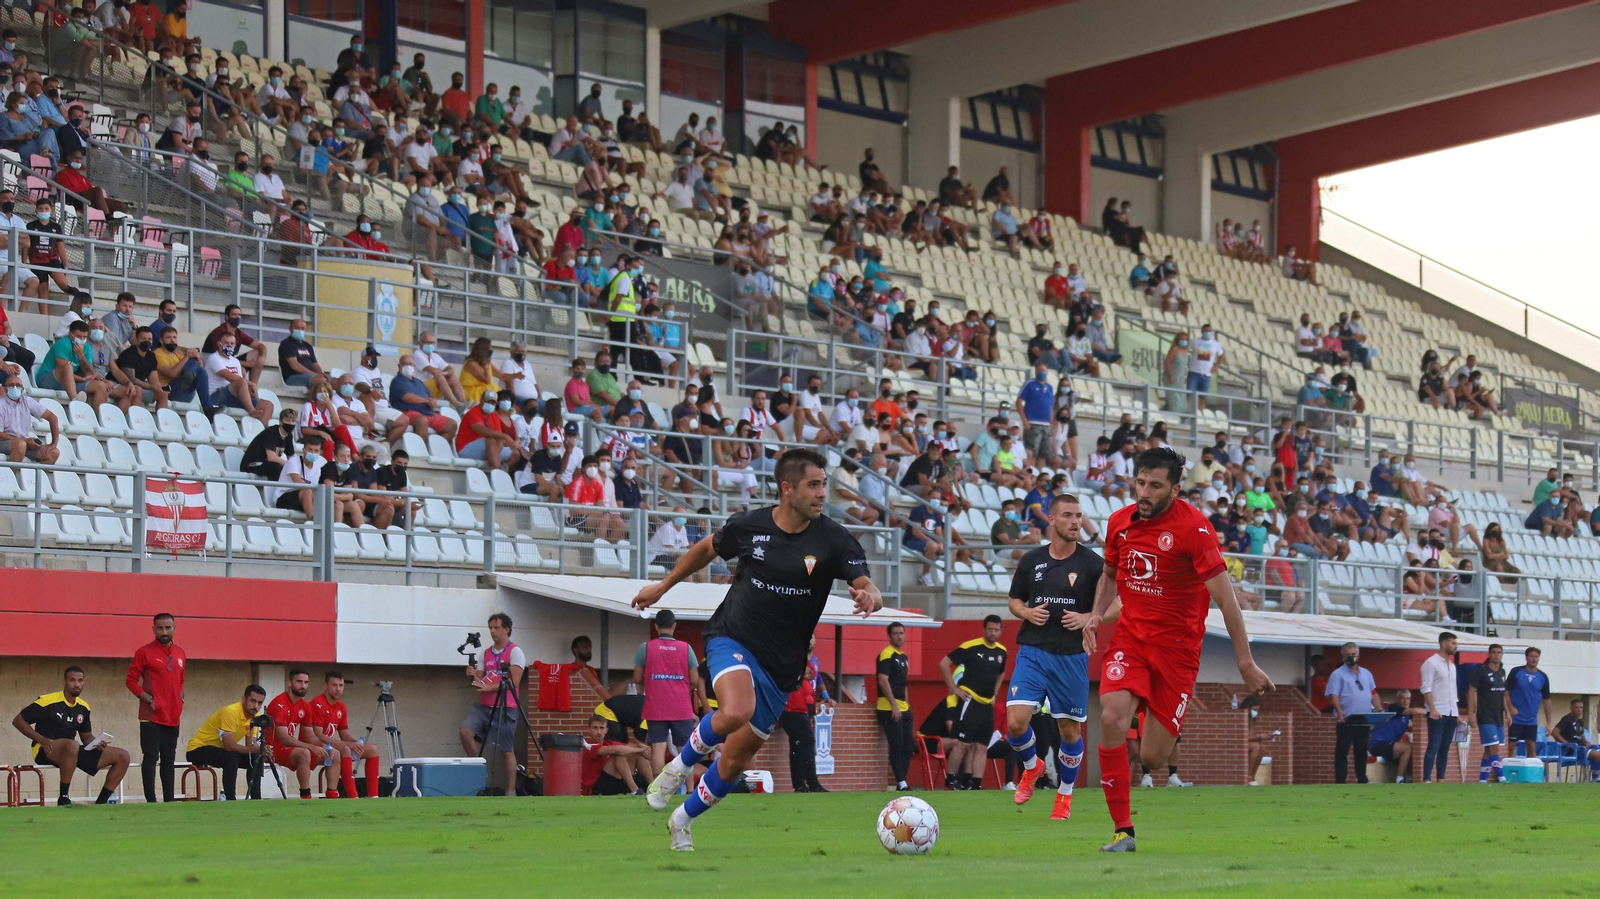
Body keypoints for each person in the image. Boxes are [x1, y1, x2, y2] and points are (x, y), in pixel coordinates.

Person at [634, 449, 880, 850]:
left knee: (734, 761)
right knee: (735, 709)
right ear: (787, 489)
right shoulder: (750, 525)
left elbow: (866, 582)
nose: (822, 493)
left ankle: (682, 819)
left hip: (782, 667)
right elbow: (706, 549)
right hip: (732, 636)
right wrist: (662, 587)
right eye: (813, 485)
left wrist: (872, 597)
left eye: (824, 485)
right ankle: (678, 768)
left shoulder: (833, 538)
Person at [1087, 447, 1272, 852]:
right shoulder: (1120, 522)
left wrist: (1245, 662)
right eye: (1140, 483)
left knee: (1154, 757)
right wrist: (1097, 615)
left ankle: (1155, 725)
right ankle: (1123, 830)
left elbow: (1227, 601)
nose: (1145, 492)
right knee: (1113, 716)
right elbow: (1109, 575)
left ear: (1175, 488)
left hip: (1177, 654)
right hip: (1131, 641)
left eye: (1155, 485)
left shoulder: (1194, 529)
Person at [1004, 493, 1102, 820]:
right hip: (1033, 652)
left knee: (1069, 733)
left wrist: (1089, 617)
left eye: (1079, 515)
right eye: (1068, 515)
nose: (1076, 522)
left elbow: (1118, 604)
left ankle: (1065, 795)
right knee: (1016, 724)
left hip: (1071, 656)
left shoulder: (1092, 564)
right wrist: (1027, 612)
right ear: (1052, 519)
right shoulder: (1032, 560)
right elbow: (1014, 601)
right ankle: (1033, 767)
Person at [11, 666, 130, 805]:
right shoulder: (48, 701)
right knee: (72, 745)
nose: (77, 684)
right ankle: (64, 797)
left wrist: (97, 742)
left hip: (71, 752)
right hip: (45, 749)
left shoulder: (84, 707)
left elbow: (86, 737)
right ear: (64, 682)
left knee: (123, 756)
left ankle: (101, 803)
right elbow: (18, 720)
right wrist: (40, 739)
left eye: (80, 680)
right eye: (72, 680)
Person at [935, 616, 1006, 791]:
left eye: (996, 630)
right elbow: (944, 663)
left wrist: (995, 692)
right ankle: (950, 780)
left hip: (986, 704)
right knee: (963, 743)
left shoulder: (1002, 652)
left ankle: (976, 784)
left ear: (1001, 631)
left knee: (982, 746)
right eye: (990, 629)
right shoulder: (971, 647)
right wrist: (954, 688)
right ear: (984, 629)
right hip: (970, 701)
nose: (993, 633)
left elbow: (1001, 673)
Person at [459, 612, 526, 796]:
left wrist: (490, 688)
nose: (492, 631)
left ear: (507, 629)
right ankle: (477, 768)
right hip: (484, 706)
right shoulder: (486, 653)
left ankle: (511, 791)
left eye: (496, 627)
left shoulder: (515, 652)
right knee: (465, 731)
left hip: (506, 706)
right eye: (490, 628)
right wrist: (472, 673)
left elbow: (515, 681)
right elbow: (479, 680)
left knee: (506, 749)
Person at [632, 609, 703, 775]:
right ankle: (690, 790)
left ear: (656, 626)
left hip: (655, 707)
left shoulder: (646, 648)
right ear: (674, 626)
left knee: (658, 747)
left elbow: (636, 677)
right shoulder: (686, 648)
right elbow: (694, 679)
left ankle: (658, 790)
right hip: (681, 707)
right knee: (685, 751)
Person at [125, 611, 185, 804]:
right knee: (151, 757)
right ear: (154, 629)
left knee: (169, 759)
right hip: (151, 716)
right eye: (160, 628)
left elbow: (181, 679)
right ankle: (151, 801)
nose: (164, 631)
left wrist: (180, 696)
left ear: (174, 629)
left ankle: (169, 800)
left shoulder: (180, 653)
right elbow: (131, 681)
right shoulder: (144, 652)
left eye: (168, 627)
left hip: (173, 715)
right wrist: (149, 700)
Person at [185, 684, 266, 801]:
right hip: (197, 748)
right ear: (244, 699)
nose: (256, 706)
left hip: (219, 750)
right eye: (253, 701)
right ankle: (230, 799)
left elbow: (251, 746)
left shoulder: (256, 716)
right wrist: (257, 749)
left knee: (254, 758)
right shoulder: (231, 712)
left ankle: (256, 799)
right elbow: (229, 746)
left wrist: (262, 748)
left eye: (259, 703)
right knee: (231, 757)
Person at [308, 670, 381, 798]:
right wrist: (348, 744)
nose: (338, 689)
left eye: (341, 686)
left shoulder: (341, 707)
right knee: (345, 749)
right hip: (315, 747)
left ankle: (374, 796)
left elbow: (344, 735)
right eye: (334, 685)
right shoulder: (317, 704)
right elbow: (318, 735)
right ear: (326, 686)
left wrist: (356, 744)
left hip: (333, 746)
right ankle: (353, 796)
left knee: (372, 749)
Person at [265, 669, 325, 798]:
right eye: (299, 681)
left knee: (334, 754)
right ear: (289, 683)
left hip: (290, 749)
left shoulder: (305, 705)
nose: (303, 685)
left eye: (306, 682)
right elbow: (284, 738)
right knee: (304, 752)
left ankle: (333, 795)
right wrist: (310, 747)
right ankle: (305, 794)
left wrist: (323, 744)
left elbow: (309, 735)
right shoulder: (279, 703)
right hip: (273, 749)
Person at [1324, 642, 1377, 785]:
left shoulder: (1366, 674)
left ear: (1358, 656)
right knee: (1342, 751)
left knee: (1361, 751)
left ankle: (1362, 778)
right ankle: (1341, 780)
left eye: (1353, 655)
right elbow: (1334, 695)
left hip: (1364, 718)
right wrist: (1340, 712)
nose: (1351, 657)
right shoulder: (1337, 674)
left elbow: (1373, 693)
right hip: (1347, 719)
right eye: (1348, 655)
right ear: (1343, 657)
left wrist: (1380, 711)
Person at [874, 622, 913, 791]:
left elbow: (903, 684)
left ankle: (901, 780)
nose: (899, 636)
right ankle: (902, 783)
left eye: (902, 633)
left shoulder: (904, 657)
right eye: (896, 633)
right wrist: (894, 705)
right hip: (888, 707)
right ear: (889, 636)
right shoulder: (886, 654)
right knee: (896, 745)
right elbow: (883, 680)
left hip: (904, 707)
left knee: (909, 745)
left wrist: (907, 705)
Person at [1418, 631, 1458, 783]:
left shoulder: (1452, 665)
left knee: (1445, 746)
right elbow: (1426, 688)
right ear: (1444, 644)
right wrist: (1432, 708)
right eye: (1453, 643)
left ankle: (1441, 778)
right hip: (1437, 711)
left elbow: (1452, 690)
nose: (1456, 646)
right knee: (1434, 745)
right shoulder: (1431, 663)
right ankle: (1427, 778)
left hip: (1451, 711)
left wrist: (1456, 711)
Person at [1467, 643, 1509, 783]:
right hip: (1485, 715)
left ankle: (1482, 781)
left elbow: (1502, 694)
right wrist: (1471, 713)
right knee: (1494, 748)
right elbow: (1472, 691)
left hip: (1498, 716)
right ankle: (1502, 778)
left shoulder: (1502, 672)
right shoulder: (1482, 671)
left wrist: (1507, 712)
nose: (1497, 655)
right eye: (1494, 652)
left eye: (1499, 652)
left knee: (1488, 749)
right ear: (1489, 654)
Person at [0, 374, 61, 464]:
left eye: (18, 385)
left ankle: (41, 477)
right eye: (11, 385)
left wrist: (53, 443)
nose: (15, 388)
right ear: (5, 388)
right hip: (4, 443)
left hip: (24, 442)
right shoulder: (1, 404)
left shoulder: (28, 401)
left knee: (54, 452)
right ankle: (13, 476)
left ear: (22, 389)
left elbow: (52, 417)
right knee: (20, 444)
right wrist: (24, 441)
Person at [1505, 646, 1550, 758]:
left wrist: (1549, 723)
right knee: (1511, 746)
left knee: (1531, 746)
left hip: (1531, 720)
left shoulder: (1543, 677)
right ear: (1526, 658)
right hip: (1515, 718)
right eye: (1531, 656)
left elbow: (1547, 700)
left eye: (1536, 657)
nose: (1534, 659)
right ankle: (1509, 772)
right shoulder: (1516, 672)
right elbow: (1505, 692)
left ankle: (1531, 773)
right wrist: (1510, 708)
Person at [1366, 689, 1414, 783]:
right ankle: (1400, 779)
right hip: (1377, 744)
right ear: (1397, 699)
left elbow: (1415, 713)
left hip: (1389, 745)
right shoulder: (1393, 708)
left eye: (1408, 699)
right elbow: (1415, 710)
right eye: (1403, 699)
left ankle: (1408, 777)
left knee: (1415, 748)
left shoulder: (1408, 714)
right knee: (1407, 748)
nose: (1406, 701)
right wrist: (1431, 711)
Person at [1551, 698, 1600, 781]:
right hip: (1571, 750)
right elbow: (1554, 732)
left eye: (1581, 708)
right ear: (1571, 708)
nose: (1579, 710)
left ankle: (1596, 776)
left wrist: (1586, 741)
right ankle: (1595, 779)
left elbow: (1582, 736)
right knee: (1597, 755)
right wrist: (1566, 743)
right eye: (1576, 707)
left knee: (1598, 751)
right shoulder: (1567, 719)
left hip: (1581, 748)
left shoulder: (1580, 722)